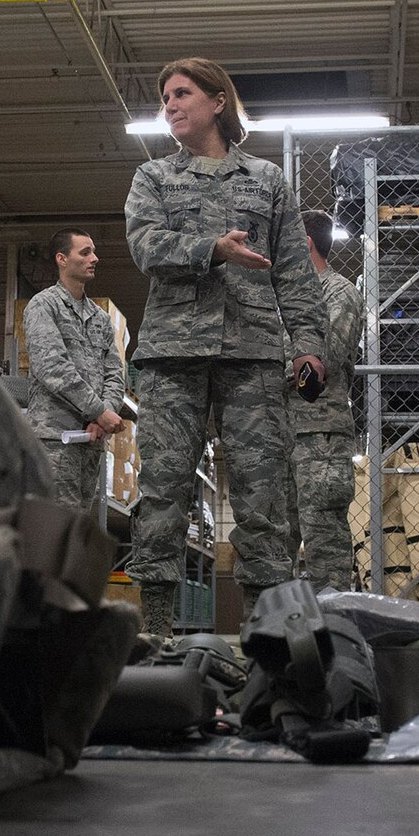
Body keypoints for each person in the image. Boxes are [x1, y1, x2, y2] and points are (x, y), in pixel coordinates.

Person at [123, 58, 326, 637]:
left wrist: (309, 345)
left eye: (182, 93)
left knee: (263, 503)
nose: (170, 105)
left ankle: (268, 638)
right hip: (172, 357)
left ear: (218, 102)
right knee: (163, 495)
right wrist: (212, 248)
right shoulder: (154, 179)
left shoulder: (266, 181)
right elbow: (146, 247)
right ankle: (156, 634)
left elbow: (294, 273)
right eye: (165, 98)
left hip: (253, 354)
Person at [22, 230, 129, 512]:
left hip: (90, 441)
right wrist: (99, 412)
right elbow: (52, 367)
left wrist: (103, 415)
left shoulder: (101, 319)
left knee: (77, 531)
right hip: (55, 442)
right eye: (85, 252)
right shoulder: (44, 306)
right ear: (62, 259)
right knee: (54, 531)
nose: (94, 258)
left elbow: (115, 374)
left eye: (93, 252)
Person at [286, 209, 364, 590]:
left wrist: (270, 360)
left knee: (324, 541)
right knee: (274, 537)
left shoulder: (339, 292)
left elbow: (321, 360)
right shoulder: (286, 299)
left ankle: (334, 631)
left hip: (321, 437)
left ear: (304, 244)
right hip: (283, 433)